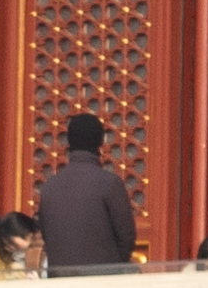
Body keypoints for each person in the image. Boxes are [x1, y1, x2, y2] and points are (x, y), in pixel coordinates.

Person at [38, 112, 137, 275]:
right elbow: (126, 237)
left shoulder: (49, 187)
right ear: (101, 141)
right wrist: (111, 265)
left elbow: (47, 235)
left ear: (68, 141)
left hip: (61, 282)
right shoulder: (109, 183)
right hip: (102, 283)